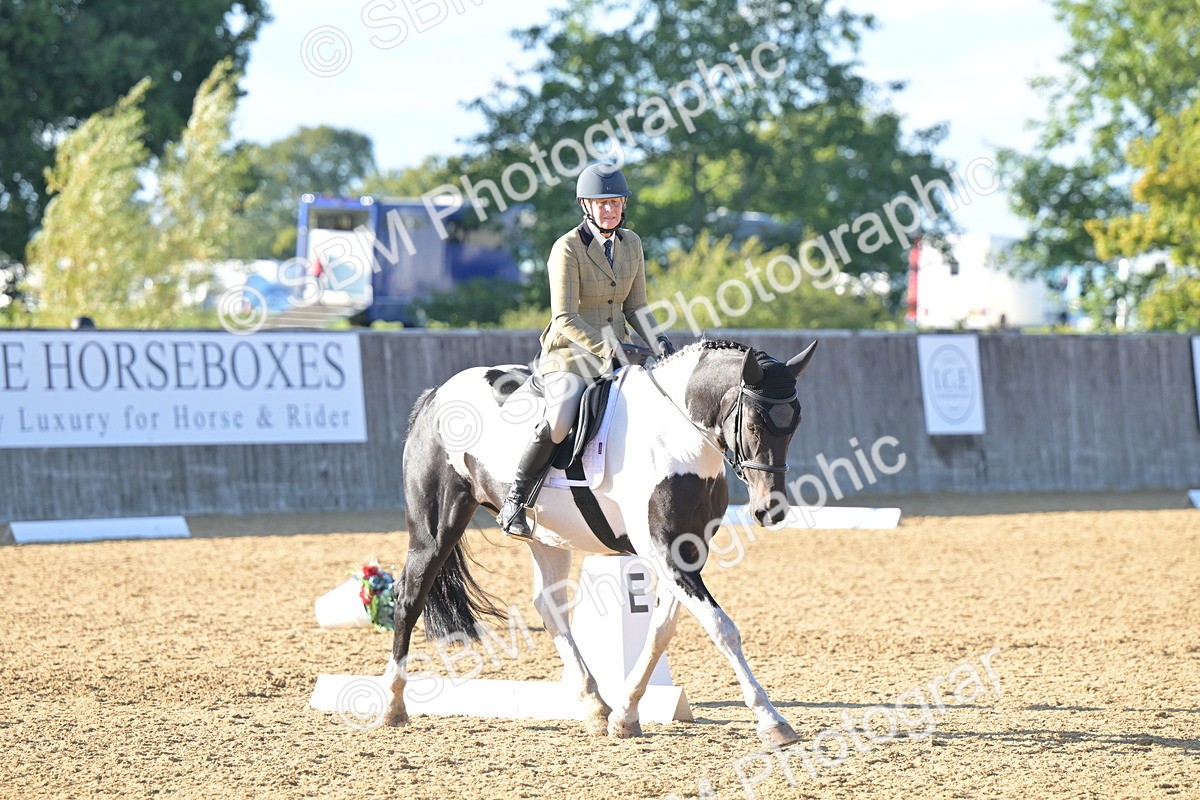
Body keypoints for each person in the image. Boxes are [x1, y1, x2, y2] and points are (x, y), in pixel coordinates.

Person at [497, 163, 675, 539]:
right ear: (586, 206)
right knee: (561, 417)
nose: (608, 210)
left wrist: (660, 343)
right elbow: (563, 316)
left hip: (620, 353)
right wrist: (607, 348)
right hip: (570, 354)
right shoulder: (567, 248)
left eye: (614, 202)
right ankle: (516, 498)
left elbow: (636, 308)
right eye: (600, 203)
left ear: (623, 204)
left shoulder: (632, 244)